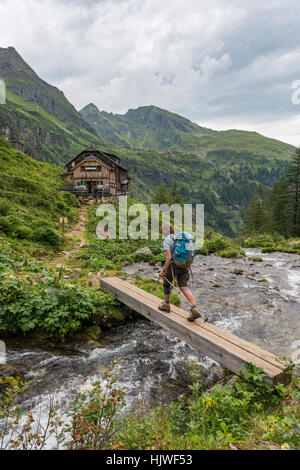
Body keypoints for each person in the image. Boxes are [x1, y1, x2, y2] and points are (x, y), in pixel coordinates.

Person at [158, 224, 200, 322]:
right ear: (172, 230)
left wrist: (163, 271)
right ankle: (194, 308)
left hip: (174, 266)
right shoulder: (179, 238)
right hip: (185, 266)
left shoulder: (167, 240)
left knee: (166, 284)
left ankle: (166, 305)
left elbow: (168, 257)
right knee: (184, 288)